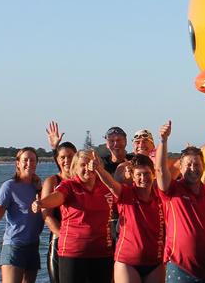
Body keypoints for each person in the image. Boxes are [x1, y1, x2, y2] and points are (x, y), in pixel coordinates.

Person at [155, 120, 205, 283]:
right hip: (180, 269)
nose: (193, 168)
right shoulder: (172, 190)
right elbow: (160, 170)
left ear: (204, 166)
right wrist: (163, 141)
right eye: (188, 164)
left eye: (197, 164)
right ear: (181, 167)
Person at [32, 149, 115, 283]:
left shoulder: (106, 187)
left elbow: (123, 199)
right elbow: (57, 197)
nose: (88, 168)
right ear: (75, 168)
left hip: (102, 252)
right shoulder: (69, 185)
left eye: (91, 164)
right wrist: (42, 203)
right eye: (83, 165)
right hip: (73, 252)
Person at [93, 153, 165, 283]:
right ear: (132, 176)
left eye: (147, 173)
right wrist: (99, 169)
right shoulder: (125, 193)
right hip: (127, 262)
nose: (143, 178)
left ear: (153, 174)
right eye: (139, 175)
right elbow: (110, 183)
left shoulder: (161, 196)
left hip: (155, 261)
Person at [0, 147, 44, 283]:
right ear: (18, 163)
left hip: (33, 246)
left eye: (33, 160)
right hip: (14, 246)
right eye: (25, 160)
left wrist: (41, 190)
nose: (29, 163)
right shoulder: (9, 186)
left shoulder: (38, 187)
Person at [42, 121, 77, 283]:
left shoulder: (84, 181)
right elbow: (47, 215)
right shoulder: (52, 181)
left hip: (83, 242)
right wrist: (64, 235)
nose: (66, 160)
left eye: (70, 156)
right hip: (59, 241)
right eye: (62, 157)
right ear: (57, 159)